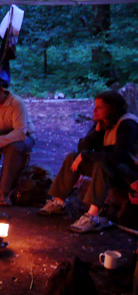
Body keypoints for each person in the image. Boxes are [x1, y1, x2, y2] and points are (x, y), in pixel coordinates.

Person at [38, 91, 138, 233]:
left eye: (99, 107)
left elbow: (118, 157)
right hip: (111, 166)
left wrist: (87, 155)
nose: (94, 110)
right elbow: (82, 148)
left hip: (129, 171)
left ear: (112, 108)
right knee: (73, 157)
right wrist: (97, 130)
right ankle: (59, 202)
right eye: (95, 106)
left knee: (102, 165)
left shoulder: (127, 124)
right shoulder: (104, 121)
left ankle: (92, 216)